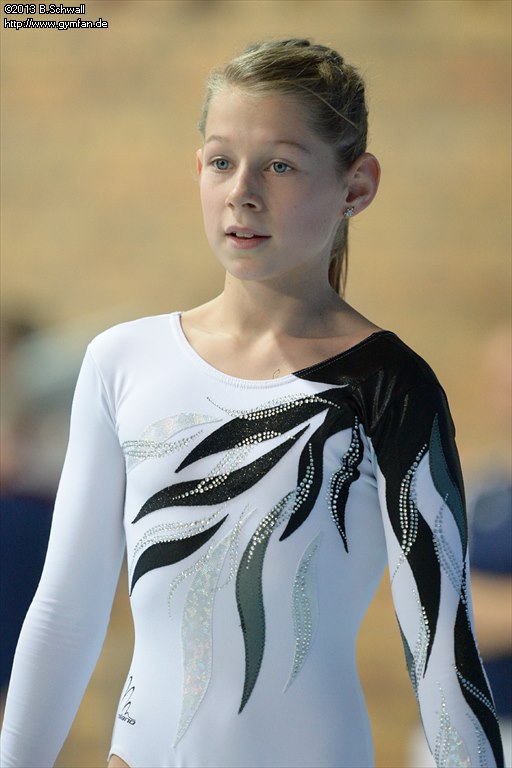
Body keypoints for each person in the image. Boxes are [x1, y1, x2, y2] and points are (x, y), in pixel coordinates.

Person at [0, 39, 505, 768]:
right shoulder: (122, 363)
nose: (243, 191)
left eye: (281, 165)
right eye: (221, 161)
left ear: (357, 184)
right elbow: (64, 614)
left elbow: (441, 651)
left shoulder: (389, 387)